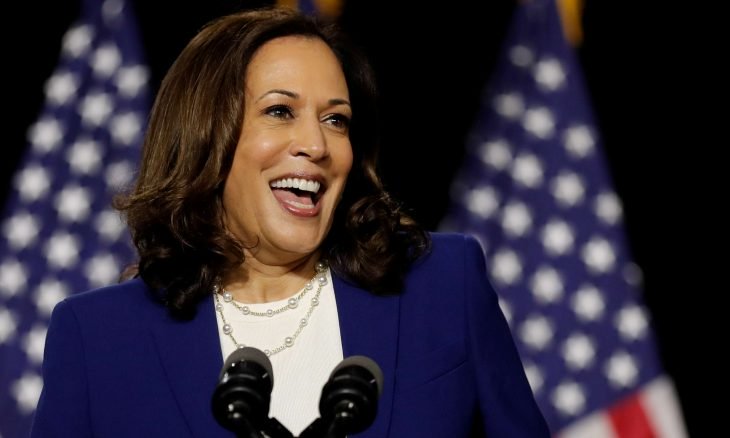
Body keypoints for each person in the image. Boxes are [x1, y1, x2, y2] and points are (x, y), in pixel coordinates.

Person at [31, 7, 549, 437]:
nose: (317, 145)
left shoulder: (442, 285)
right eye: (280, 111)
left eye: (336, 119)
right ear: (206, 134)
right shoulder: (98, 338)